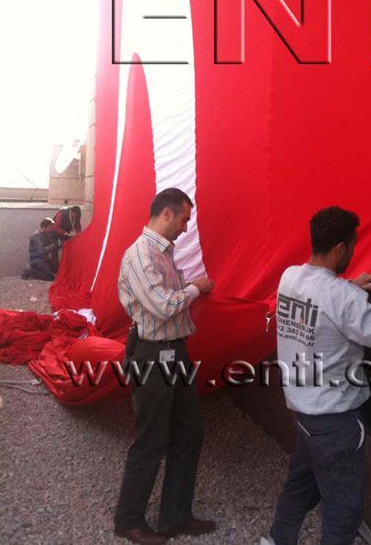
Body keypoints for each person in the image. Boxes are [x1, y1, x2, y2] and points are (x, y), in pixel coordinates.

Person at [262, 206, 371, 545]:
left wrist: (351, 287)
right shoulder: (342, 298)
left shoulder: (289, 278)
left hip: (304, 414)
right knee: (343, 511)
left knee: (299, 487)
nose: (354, 253)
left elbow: (320, 301)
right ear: (341, 248)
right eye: (353, 247)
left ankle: (277, 541)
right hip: (336, 423)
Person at [113, 188, 217, 545]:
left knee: (190, 431)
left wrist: (190, 288)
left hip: (175, 351)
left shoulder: (164, 254)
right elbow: (163, 305)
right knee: (151, 438)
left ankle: (175, 516)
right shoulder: (141, 255)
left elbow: (169, 297)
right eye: (184, 219)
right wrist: (196, 288)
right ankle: (128, 520)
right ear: (167, 214)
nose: (186, 227)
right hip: (152, 355)